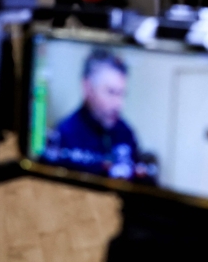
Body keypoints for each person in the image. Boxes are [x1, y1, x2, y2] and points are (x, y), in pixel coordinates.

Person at [43, 48, 143, 181]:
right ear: (87, 88)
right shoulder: (63, 135)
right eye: (111, 92)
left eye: (122, 94)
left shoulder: (126, 133)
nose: (119, 104)